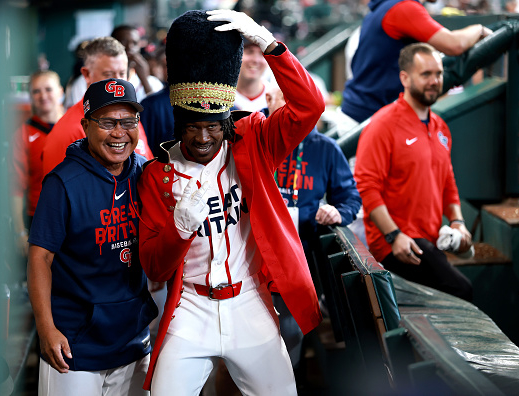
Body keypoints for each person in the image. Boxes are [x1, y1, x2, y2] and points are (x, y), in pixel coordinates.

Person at [137, 10, 324, 395]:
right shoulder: (158, 175)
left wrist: (269, 44)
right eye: (192, 127)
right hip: (190, 309)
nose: (203, 137)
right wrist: (178, 230)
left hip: (249, 301)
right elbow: (154, 266)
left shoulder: (252, 139)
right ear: (178, 125)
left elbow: (310, 107)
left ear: (227, 123)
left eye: (213, 127)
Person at [28, 78, 158, 396]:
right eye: (107, 122)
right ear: (86, 125)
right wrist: (46, 329)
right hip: (74, 345)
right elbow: (39, 259)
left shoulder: (147, 174)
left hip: (133, 341)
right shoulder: (62, 183)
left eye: (128, 122)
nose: (119, 133)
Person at [354, 43, 473, 302]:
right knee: (461, 291)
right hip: (397, 244)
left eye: (438, 74)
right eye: (426, 74)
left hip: (430, 241)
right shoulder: (383, 124)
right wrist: (394, 235)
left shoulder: (440, 127)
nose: (434, 81)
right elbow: (366, 186)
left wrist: (458, 223)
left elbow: (448, 183)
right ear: (405, 78)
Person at [265, 81, 361, 368]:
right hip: (253, 254)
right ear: (269, 98)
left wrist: (336, 212)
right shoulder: (254, 136)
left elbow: (350, 199)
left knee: (290, 334)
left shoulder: (325, 149)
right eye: (288, 100)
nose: (296, 110)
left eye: (304, 104)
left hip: (300, 258)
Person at [338, 0, 492, 133]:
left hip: (369, 116)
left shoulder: (390, 5)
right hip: (364, 122)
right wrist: (480, 29)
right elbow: (454, 44)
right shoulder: (402, 7)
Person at [42, 36, 153, 176]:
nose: (117, 81)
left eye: (122, 73)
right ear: (87, 74)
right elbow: (58, 190)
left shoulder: (130, 115)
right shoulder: (68, 130)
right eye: (109, 74)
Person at [11, 69, 64, 257]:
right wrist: (19, 232)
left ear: (60, 91)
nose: (43, 96)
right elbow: (15, 189)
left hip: (77, 216)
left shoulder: (77, 125)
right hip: (39, 219)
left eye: (48, 89)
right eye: (36, 91)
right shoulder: (23, 134)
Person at [111, 25, 164, 103]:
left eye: (135, 43)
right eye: (123, 42)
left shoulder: (152, 82)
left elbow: (158, 110)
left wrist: (144, 80)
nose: (129, 47)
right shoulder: (102, 77)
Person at [232, 38, 270, 111]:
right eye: (249, 52)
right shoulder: (219, 96)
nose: (256, 60)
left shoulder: (276, 99)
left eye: (262, 54)